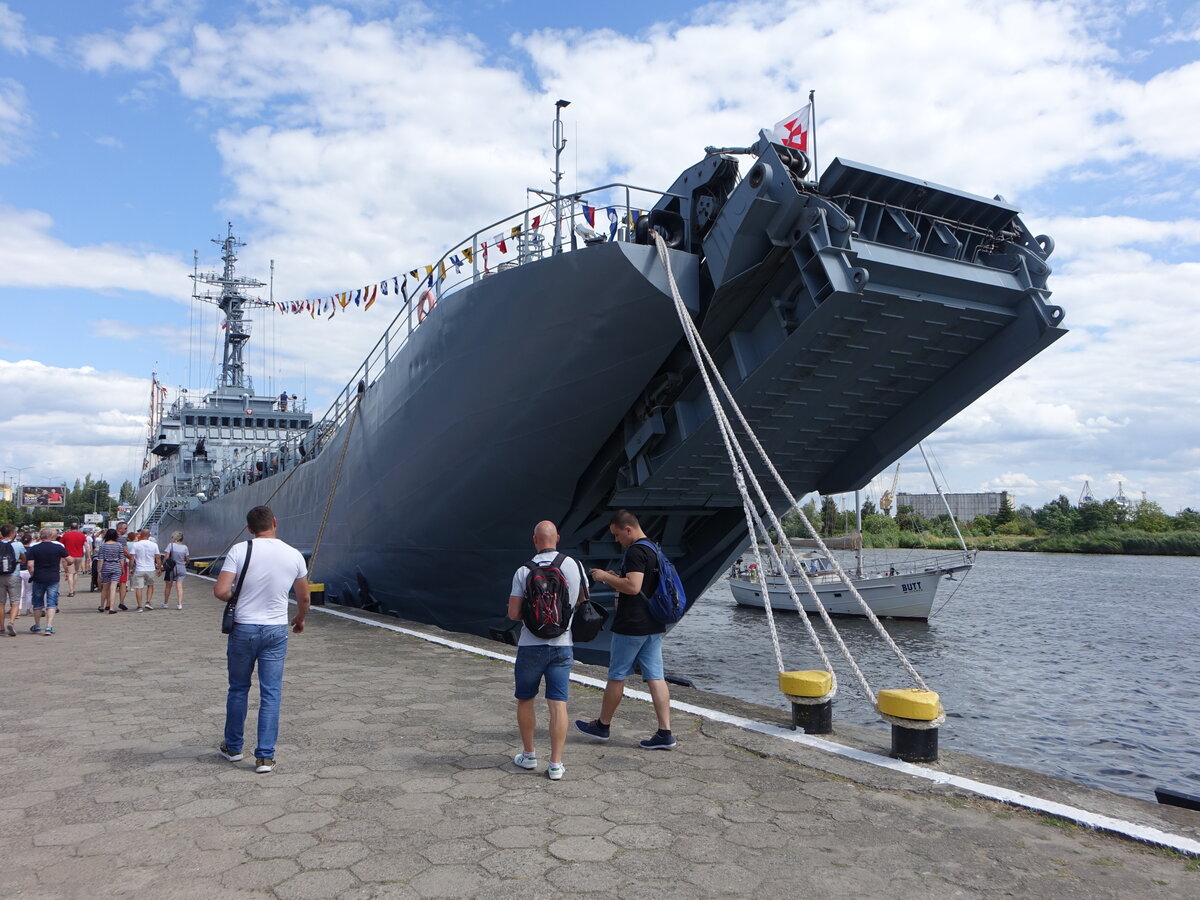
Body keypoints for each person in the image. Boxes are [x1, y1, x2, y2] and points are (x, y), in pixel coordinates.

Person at [214, 505, 309, 774]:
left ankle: (233, 747)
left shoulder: (239, 550)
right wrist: (300, 618)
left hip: (243, 628)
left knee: (238, 688)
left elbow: (220, 591)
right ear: (275, 522)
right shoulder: (293, 554)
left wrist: (237, 598)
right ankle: (265, 757)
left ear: (249, 528)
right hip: (276, 631)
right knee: (271, 693)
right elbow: (304, 597)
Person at [576, 509, 676, 750]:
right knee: (656, 676)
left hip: (632, 625)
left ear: (628, 529)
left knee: (617, 675)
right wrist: (616, 576)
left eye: (618, 535)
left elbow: (633, 586)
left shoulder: (635, 551)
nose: (616, 540)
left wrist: (604, 577)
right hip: (654, 624)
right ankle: (665, 732)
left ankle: (602, 725)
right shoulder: (653, 548)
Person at [506, 520, 585, 781]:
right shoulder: (574, 566)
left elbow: (514, 613)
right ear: (558, 538)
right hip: (563, 645)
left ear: (534, 540)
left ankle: (528, 756)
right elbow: (582, 600)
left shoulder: (523, 571)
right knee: (558, 704)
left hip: (530, 646)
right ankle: (555, 764)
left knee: (526, 699)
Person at [26, 527, 68, 635]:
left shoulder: (34, 548)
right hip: (53, 577)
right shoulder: (57, 547)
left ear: (40, 536)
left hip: (39, 578)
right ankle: (49, 626)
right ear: (51, 536)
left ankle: (37, 625)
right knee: (52, 601)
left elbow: (30, 565)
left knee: (37, 602)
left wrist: (33, 575)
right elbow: (69, 559)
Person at [0, 524, 26, 636]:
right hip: (14, 575)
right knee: (15, 601)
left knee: (1, 603)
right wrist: (19, 560)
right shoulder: (18, 544)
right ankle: (11, 622)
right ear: (12, 533)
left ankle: (1, 626)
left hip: (0, 576)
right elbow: (24, 559)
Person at [128, 528, 162, 611]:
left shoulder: (136, 544)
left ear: (140, 535)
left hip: (139, 568)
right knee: (150, 585)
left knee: (139, 587)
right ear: (149, 535)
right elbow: (158, 557)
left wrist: (131, 568)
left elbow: (132, 558)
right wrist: (159, 568)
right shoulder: (154, 545)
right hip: (150, 568)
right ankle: (148, 602)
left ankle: (140, 606)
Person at [96, 529, 124, 613]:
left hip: (106, 566)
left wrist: (99, 570)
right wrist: (122, 569)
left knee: (105, 587)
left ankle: (102, 606)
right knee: (113, 588)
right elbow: (121, 558)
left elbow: (100, 559)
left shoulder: (103, 546)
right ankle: (111, 607)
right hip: (116, 566)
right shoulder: (119, 545)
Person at [162, 531, 189, 609]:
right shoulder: (185, 547)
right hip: (181, 567)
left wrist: (163, 566)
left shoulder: (171, 545)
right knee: (179, 586)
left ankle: (165, 603)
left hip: (171, 568)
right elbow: (187, 559)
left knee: (168, 586)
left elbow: (166, 556)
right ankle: (179, 604)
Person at [60, 522, 87, 597]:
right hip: (79, 556)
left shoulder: (66, 535)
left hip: (69, 556)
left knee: (70, 573)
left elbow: (61, 545)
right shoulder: (82, 535)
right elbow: (86, 545)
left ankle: (71, 591)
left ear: (70, 527)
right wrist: (88, 556)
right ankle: (73, 589)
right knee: (75, 572)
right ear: (77, 527)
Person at [114, 522, 131, 609]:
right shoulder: (122, 539)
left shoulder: (110, 537)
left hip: (110, 562)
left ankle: (109, 603)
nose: (126, 530)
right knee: (122, 583)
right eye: (125, 528)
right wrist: (131, 557)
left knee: (110, 584)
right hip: (121, 562)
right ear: (120, 529)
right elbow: (125, 551)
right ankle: (122, 602)